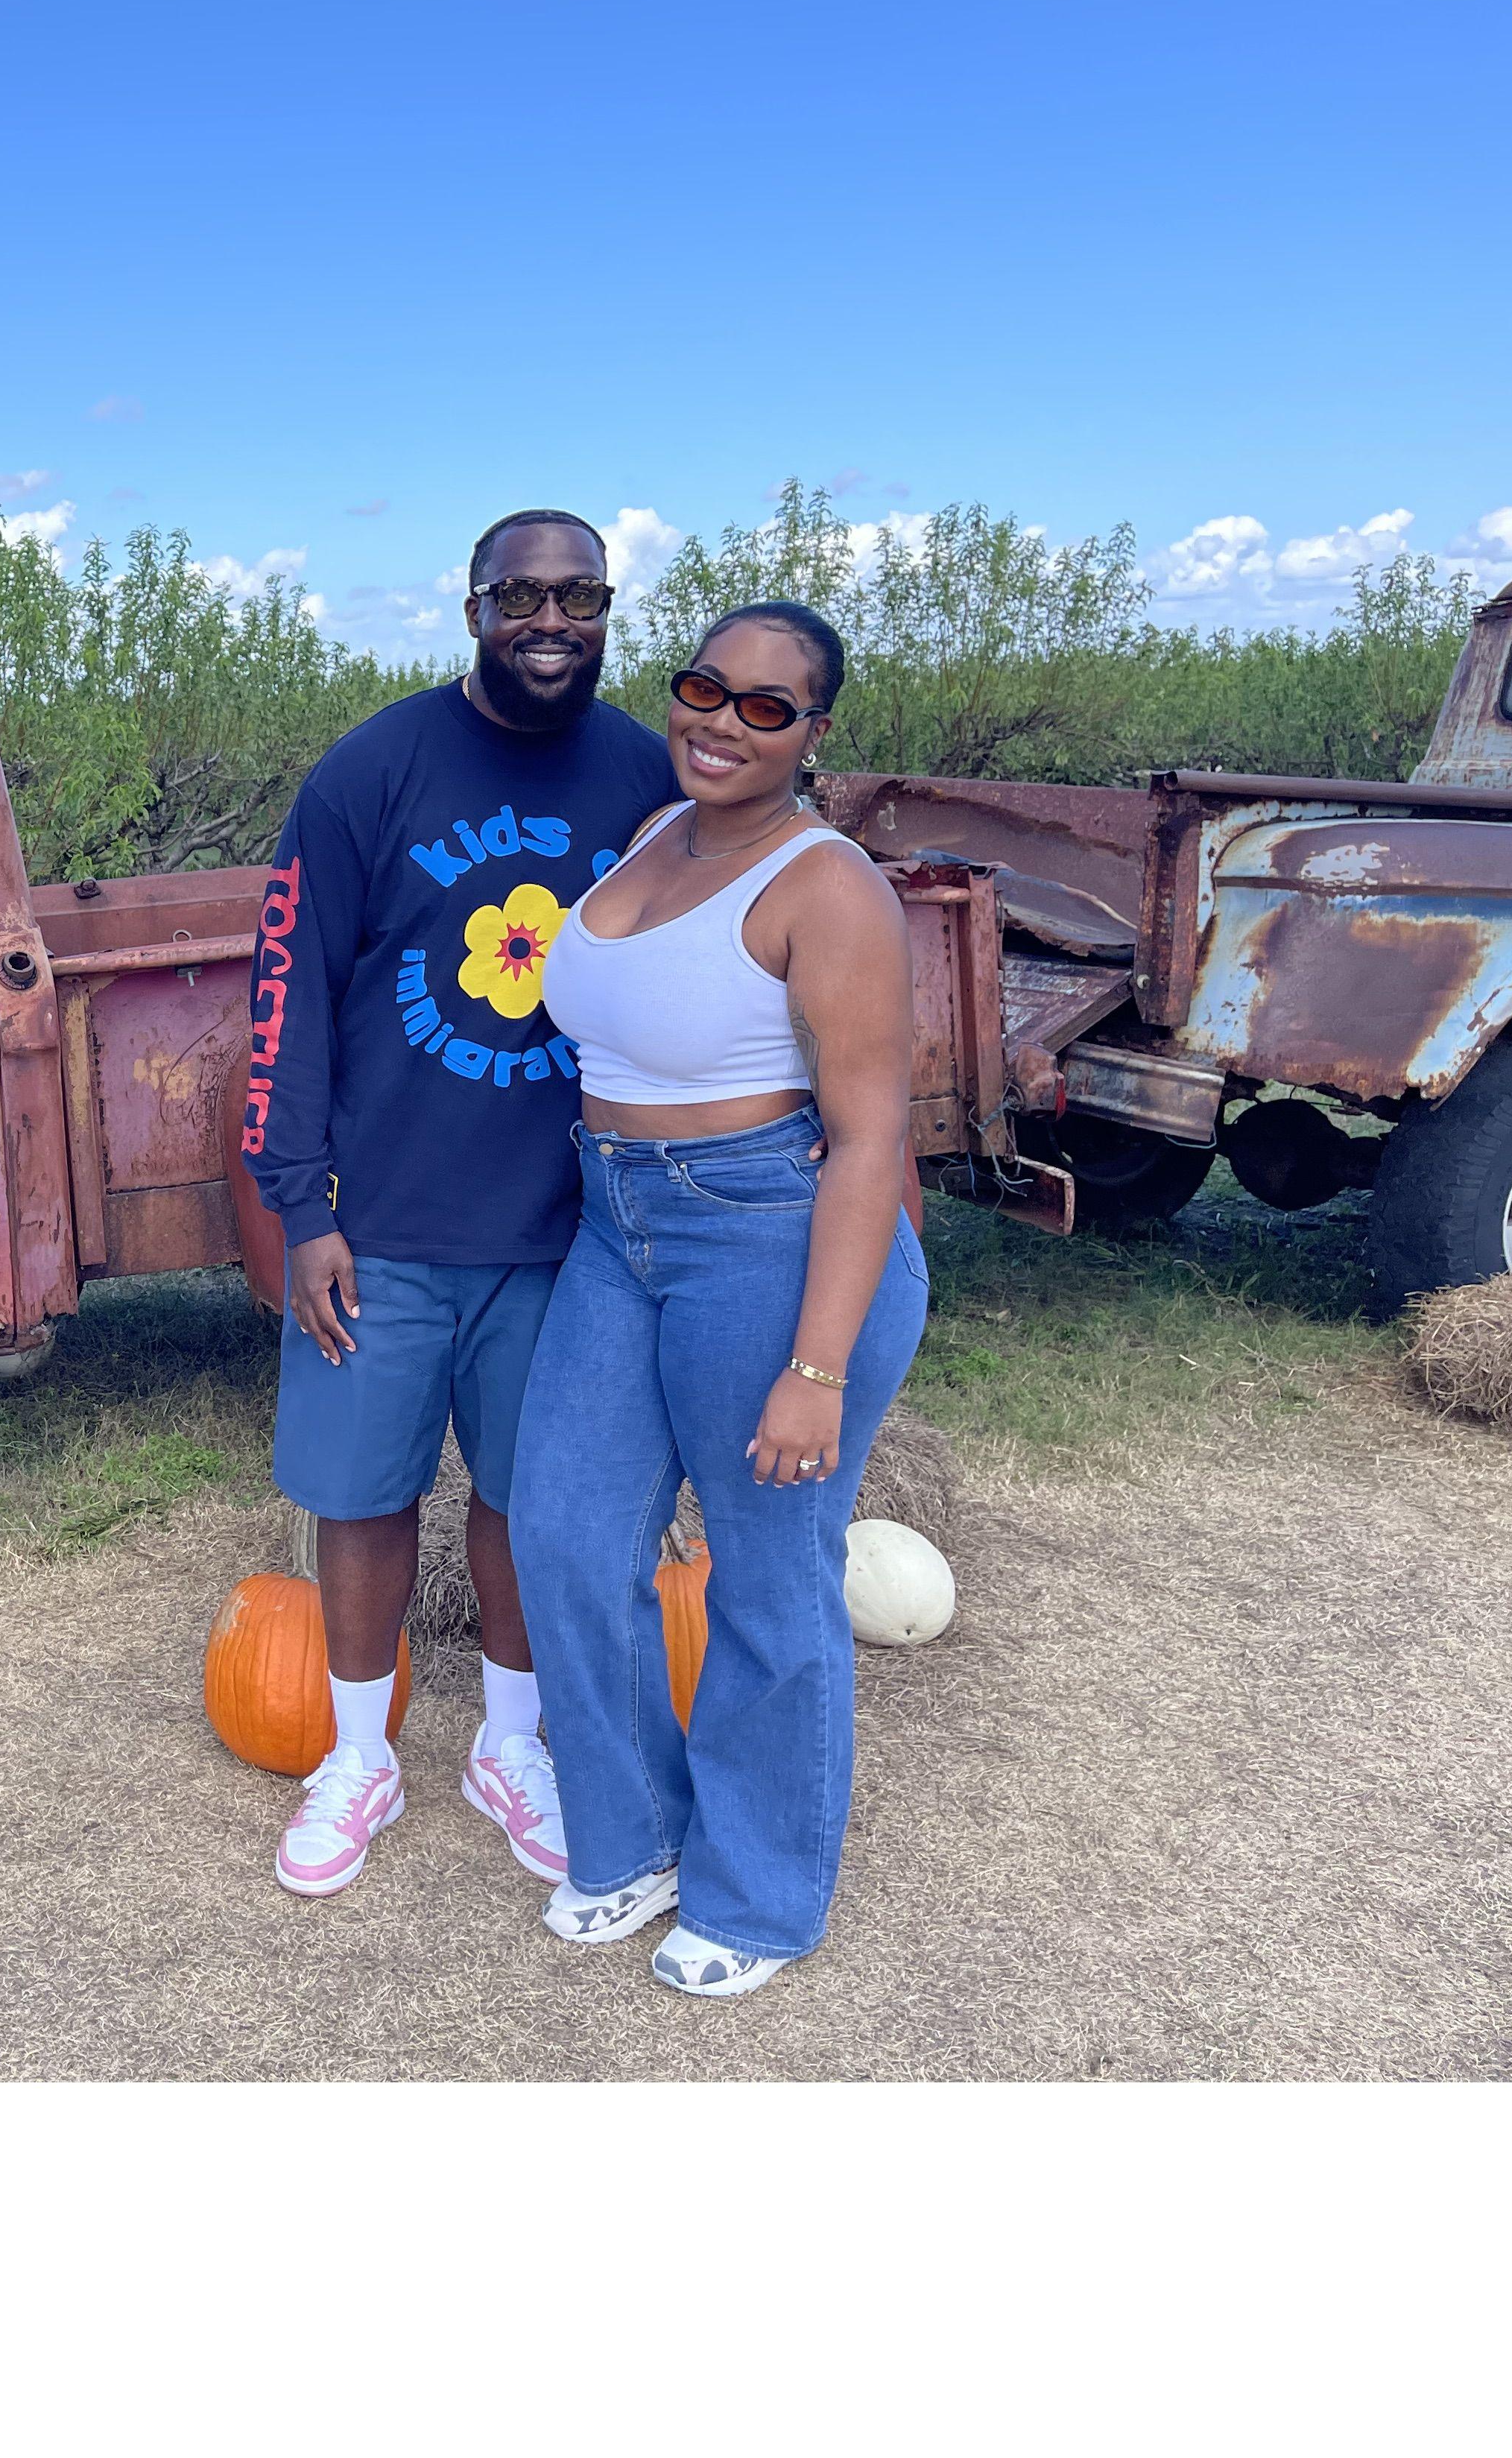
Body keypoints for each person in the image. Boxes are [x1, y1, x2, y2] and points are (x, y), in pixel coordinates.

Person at [241, 508, 678, 1896]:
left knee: (522, 1495)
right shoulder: (374, 769)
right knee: (362, 1499)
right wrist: (301, 1208)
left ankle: (509, 1744)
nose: (552, 621)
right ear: (474, 605)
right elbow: (286, 995)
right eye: (521, 595)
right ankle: (358, 1755)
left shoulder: (650, 781)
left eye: (581, 595)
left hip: (569, 1232)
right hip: (382, 1230)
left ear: (608, 609)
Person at [517, 598, 927, 1995]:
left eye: (767, 707)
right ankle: (629, 1840)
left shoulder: (828, 888)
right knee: (566, 1534)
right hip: (615, 1224)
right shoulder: (653, 835)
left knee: (765, 1575)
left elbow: (873, 1137)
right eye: (707, 687)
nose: (722, 721)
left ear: (813, 735)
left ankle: (759, 1897)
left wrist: (815, 1372)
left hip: (766, 1234)